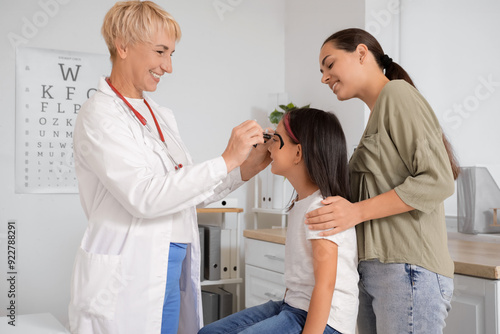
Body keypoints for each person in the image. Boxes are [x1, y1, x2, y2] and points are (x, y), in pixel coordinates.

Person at [68, 2, 271, 334]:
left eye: (172, 53)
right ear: (122, 45)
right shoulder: (99, 114)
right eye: (160, 52)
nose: (168, 66)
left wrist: (243, 169)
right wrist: (227, 158)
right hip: (128, 275)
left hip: (170, 267)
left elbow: (182, 193)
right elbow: (145, 197)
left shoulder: (161, 114)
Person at [306, 28, 460, 333]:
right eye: (322, 71)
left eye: (330, 64)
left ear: (361, 53)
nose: (324, 78)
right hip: (378, 273)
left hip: (408, 271)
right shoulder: (374, 117)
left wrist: (355, 212)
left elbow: (438, 180)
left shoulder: (396, 94)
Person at [199, 107, 359, 334]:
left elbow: (326, 285)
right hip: (293, 307)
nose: (268, 146)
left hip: (326, 321)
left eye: (275, 139)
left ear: (298, 153)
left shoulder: (321, 209)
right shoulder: (299, 204)